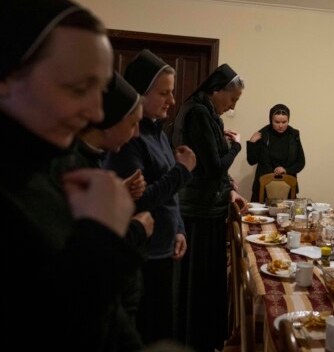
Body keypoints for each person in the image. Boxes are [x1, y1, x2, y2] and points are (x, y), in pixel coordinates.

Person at [0, 0, 142, 351]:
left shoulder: (61, 159)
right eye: (79, 88)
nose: (97, 113)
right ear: (7, 77)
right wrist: (102, 237)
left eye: (100, 89)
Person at [104, 49, 197, 345]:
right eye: (164, 93)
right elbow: (140, 201)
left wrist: (179, 227)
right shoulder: (130, 139)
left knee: (164, 328)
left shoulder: (158, 131)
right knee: (149, 334)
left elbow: (168, 194)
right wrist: (182, 171)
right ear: (141, 95)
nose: (172, 100)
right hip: (144, 254)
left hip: (164, 248)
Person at [51, 71, 154, 327]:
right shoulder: (72, 167)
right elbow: (86, 249)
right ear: (109, 120)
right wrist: (138, 229)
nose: (136, 133)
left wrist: (119, 191)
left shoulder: (91, 157)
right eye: (132, 124)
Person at [170, 63, 246, 352]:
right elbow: (214, 166)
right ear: (217, 91)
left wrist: (228, 190)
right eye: (232, 99)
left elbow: (215, 163)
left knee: (207, 278)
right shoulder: (198, 113)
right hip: (197, 210)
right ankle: (195, 339)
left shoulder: (208, 113)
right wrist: (238, 146)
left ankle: (205, 337)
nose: (233, 105)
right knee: (198, 280)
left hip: (208, 206)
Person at [246, 104, 305, 202]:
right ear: (270, 120)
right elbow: (251, 161)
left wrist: (286, 170)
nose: (281, 126)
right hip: (262, 190)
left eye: (284, 122)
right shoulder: (263, 133)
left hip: (288, 188)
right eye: (277, 122)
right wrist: (252, 143)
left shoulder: (294, 134)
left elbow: (301, 162)